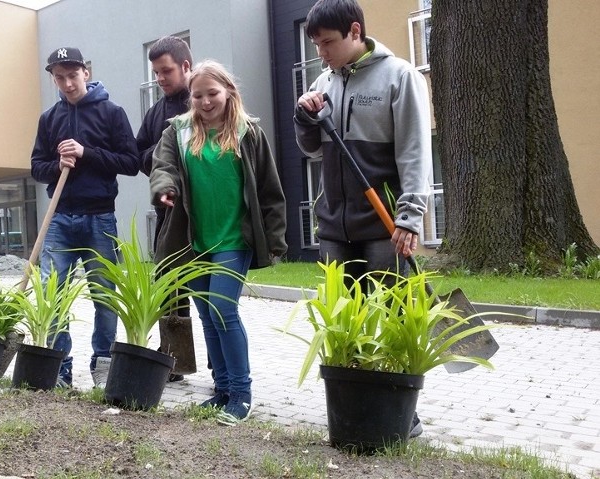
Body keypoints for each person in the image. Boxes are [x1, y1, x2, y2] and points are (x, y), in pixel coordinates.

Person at [292, 0, 432, 437]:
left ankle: (400, 416)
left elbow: (415, 151)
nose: (322, 53)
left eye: (329, 43)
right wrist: (303, 117)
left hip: (383, 222)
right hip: (335, 224)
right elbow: (313, 150)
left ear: (355, 31)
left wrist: (410, 217)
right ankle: (356, 410)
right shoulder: (322, 82)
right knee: (343, 319)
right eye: (316, 45)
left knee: (389, 314)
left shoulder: (400, 76)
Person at [150, 60, 287, 425]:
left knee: (224, 311)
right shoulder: (177, 131)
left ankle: (241, 394)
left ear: (228, 92)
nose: (206, 101)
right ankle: (222, 389)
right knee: (208, 316)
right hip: (194, 241)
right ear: (190, 97)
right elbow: (161, 165)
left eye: (213, 93)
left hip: (233, 238)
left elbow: (270, 190)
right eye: (198, 95)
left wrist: (274, 239)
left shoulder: (249, 133)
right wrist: (165, 187)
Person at [30, 46, 141, 389]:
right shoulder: (49, 119)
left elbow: (130, 163)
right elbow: (37, 168)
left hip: (99, 219)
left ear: (86, 73)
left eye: (72, 75)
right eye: (59, 77)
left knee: (105, 296)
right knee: (53, 295)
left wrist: (86, 153)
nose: (66, 83)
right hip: (59, 219)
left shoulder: (111, 112)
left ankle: (103, 363)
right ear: (53, 79)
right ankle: (60, 366)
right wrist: (58, 165)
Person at [136, 36, 194, 382]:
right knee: (169, 288)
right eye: (156, 72)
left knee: (206, 290)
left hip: (204, 212)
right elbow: (137, 155)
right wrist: (162, 154)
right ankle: (175, 361)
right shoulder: (155, 112)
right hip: (167, 214)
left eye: (166, 71)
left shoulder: (204, 99)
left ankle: (224, 368)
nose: (160, 78)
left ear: (186, 66)